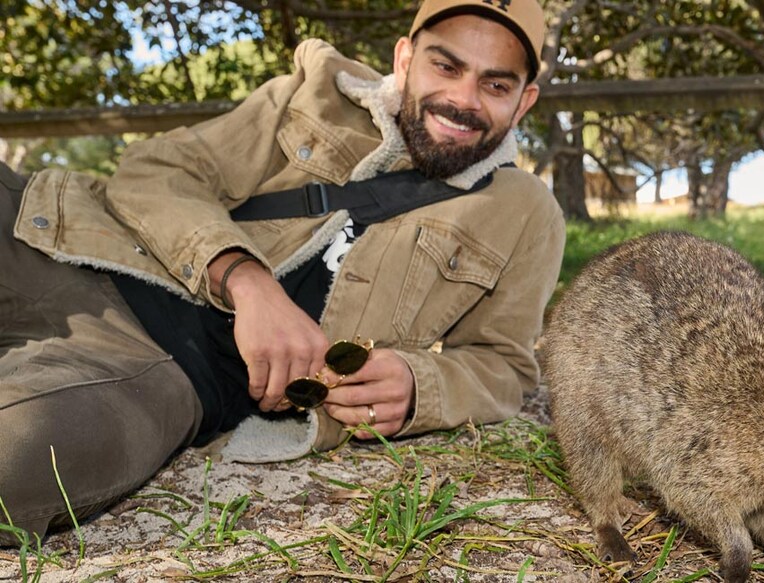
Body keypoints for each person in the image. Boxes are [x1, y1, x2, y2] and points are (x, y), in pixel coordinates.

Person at [0, 0, 563, 543]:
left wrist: (420, 385)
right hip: (56, 235)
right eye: (446, 66)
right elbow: (156, 169)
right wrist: (247, 281)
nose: (462, 100)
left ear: (524, 101)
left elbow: (504, 365)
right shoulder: (314, 90)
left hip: (157, 372)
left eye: (495, 85)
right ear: (405, 59)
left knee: (17, 461)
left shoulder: (525, 213)